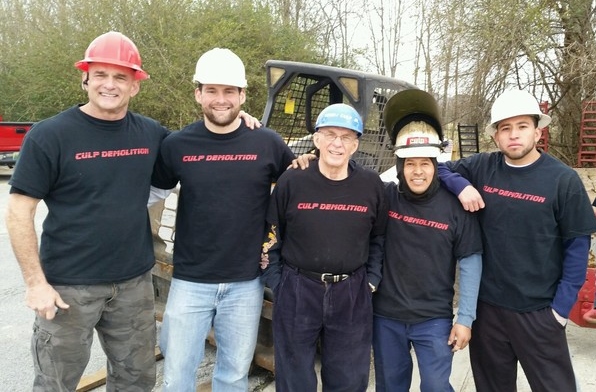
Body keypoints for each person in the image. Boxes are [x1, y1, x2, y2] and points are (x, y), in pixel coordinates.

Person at [4, 31, 167, 391]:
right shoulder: (50, 136)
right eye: (101, 75)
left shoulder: (151, 134)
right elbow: (18, 212)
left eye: (120, 77)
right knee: (55, 383)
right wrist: (35, 284)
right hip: (67, 288)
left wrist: (241, 121)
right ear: (85, 79)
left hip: (133, 284)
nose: (110, 85)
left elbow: (197, 149)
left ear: (135, 85)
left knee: (137, 379)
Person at [151, 48, 297, 392]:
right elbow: (150, 194)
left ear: (243, 95)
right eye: (212, 90)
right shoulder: (177, 144)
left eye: (229, 91)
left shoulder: (267, 142)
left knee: (232, 377)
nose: (221, 99)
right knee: (176, 377)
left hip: (245, 283)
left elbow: (298, 192)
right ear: (197, 93)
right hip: (190, 282)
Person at [438, 89, 596, 391]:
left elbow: (577, 249)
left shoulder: (563, 180)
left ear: (537, 131)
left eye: (522, 126)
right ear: (496, 136)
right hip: (488, 312)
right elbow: (439, 168)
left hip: (539, 313)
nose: (513, 135)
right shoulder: (482, 167)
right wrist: (460, 186)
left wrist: (560, 312)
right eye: (505, 128)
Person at [260, 103, 388, 392]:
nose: (337, 144)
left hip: (352, 292)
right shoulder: (292, 180)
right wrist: (277, 282)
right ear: (316, 139)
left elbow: (379, 238)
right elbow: (271, 233)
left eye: (346, 137)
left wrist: (371, 281)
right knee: (294, 377)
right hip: (297, 288)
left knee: (349, 378)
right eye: (330, 134)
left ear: (355, 145)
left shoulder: (371, 185)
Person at [372, 89, 483, 392]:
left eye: (425, 163)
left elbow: (471, 263)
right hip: (386, 317)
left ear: (437, 166)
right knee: (389, 386)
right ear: (399, 166)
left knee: (436, 387)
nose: (417, 171)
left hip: (433, 321)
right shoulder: (386, 198)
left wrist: (466, 319)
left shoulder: (455, 208)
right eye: (409, 163)